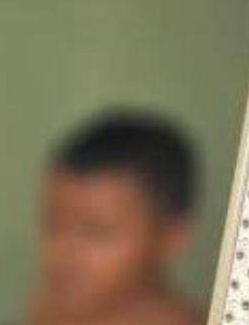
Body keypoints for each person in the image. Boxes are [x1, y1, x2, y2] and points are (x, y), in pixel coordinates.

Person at [27, 108, 202, 325]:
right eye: (53, 225)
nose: (61, 253)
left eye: (96, 232)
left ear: (173, 236)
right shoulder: (52, 309)